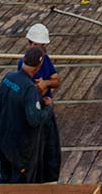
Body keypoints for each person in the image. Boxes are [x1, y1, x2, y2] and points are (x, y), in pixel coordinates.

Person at [0, 47, 47, 183]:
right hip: (20, 151)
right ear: (39, 65)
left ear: (23, 60)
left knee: (5, 179)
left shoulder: (8, 78)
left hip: (4, 141)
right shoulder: (30, 89)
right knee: (20, 186)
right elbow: (34, 119)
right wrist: (47, 108)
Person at [24, 23, 62, 182]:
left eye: (42, 46)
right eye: (37, 46)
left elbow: (56, 80)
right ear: (29, 43)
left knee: (51, 151)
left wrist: (45, 83)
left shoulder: (45, 60)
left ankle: (50, 182)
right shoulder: (25, 66)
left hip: (46, 112)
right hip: (37, 114)